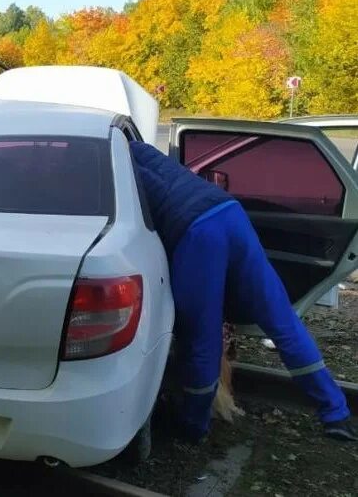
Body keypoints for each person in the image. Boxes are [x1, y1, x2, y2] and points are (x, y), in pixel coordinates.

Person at [129, 140, 357, 443]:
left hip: (195, 232)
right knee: (282, 321)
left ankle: (194, 424)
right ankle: (336, 414)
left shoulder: (112, 160)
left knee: (202, 336)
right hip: (229, 212)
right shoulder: (141, 148)